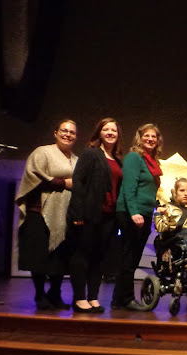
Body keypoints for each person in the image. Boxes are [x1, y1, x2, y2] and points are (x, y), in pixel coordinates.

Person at [16, 119, 78, 309]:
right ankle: (39, 295)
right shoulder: (42, 152)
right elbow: (33, 177)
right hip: (40, 212)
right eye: (64, 130)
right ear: (55, 133)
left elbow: (81, 184)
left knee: (60, 257)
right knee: (39, 257)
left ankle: (55, 294)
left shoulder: (77, 160)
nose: (68, 134)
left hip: (65, 216)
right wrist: (64, 183)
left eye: (72, 132)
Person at [67, 118, 123, 313]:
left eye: (113, 130)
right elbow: (78, 182)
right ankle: (79, 298)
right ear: (99, 132)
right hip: (89, 213)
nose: (110, 133)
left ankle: (93, 297)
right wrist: (78, 213)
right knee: (82, 255)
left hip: (109, 216)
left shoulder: (118, 160)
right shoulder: (91, 154)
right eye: (106, 129)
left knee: (99, 258)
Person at [112, 123, 163, 311]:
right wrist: (134, 212)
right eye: (146, 135)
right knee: (129, 258)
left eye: (154, 136)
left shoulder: (152, 162)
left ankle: (118, 300)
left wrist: (158, 206)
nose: (150, 139)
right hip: (131, 213)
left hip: (145, 213)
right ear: (139, 138)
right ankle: (126, 298)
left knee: (133, 259)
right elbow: (128, 188)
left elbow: (148, 191)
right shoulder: (134, 158)